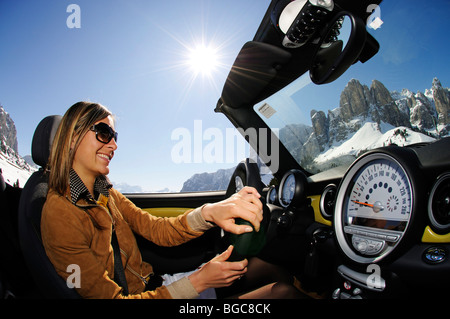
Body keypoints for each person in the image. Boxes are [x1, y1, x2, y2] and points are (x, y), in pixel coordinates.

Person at [41, 101, 302, 299]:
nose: (114, 145)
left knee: (264, 266)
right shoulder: (59, 213)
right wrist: (199, 281)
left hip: (158, 284)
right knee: (282, 293)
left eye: (114, 136)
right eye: (103, 133)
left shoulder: (106, 194)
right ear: (72, 137)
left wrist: (209, 212)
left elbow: (157, 229)